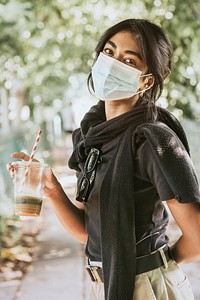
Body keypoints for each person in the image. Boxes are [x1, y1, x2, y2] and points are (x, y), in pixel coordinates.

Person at [8, 19, 200, 300]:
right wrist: (51, 188)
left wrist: (156, 267)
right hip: (105, 283)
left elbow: (197, 236)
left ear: (147, 80)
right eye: (109, 53)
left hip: (145, 285)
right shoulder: (92, 136)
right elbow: (89, 234)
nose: (112, 64)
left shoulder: (151, 140)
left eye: (129, 60)